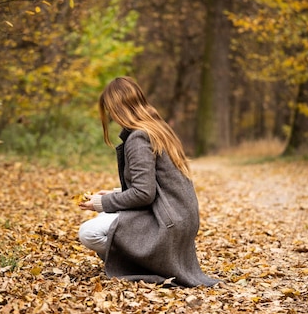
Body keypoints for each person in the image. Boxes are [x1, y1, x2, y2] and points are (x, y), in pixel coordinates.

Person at [78, 76, 219, 287]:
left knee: (88, 232)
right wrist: (112, 194)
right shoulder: (158, 129)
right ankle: (142, 259)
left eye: (110, 110)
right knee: (105, 213)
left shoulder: (138, 138)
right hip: (180, 218)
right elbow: (153, 184)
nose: (111, 117)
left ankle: (143, 264)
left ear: (119, 108)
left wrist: (100, 203)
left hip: (167, 222)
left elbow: (144, 194)